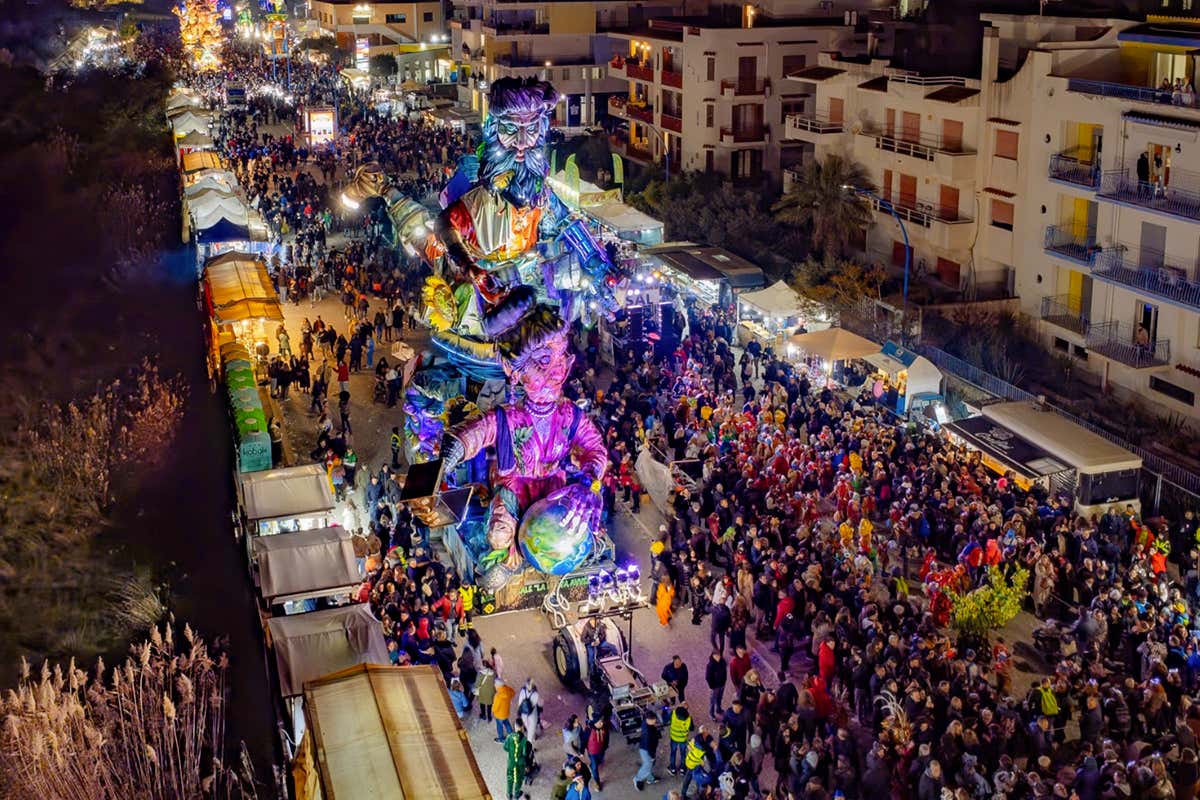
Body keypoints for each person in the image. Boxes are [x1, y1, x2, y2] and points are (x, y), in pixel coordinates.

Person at [503, 720, 531, 800]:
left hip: (511, 763)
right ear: (522, 727)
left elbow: (505, 748)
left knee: (510, 778)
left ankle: (509, 794)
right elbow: (525, 753)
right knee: (518, 780)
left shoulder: (509, 737)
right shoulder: (524, 740)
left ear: (515, 727)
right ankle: (516, 794)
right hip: (520, 764)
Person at [634, 710, 661, 791]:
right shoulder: (647, 732)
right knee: (647, 765)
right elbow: (648, 745)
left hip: (647, 749)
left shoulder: (646, 724)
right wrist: (652, 755)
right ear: (648, 720)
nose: (655, 721)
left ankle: (650, 778)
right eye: (653, 719)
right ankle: (637, 779)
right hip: (646, 750)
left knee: (650, 765)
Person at [667, 703, 693, 775]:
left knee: (673, 752)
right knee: (683, 753)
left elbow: (667, 720)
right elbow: (692, 728)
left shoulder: (673, 713)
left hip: (674, 738)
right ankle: (683, 769)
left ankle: (672, 768)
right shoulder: (688, 718)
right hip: (683, 739)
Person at [585, 717, 609, 791]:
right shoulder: (588, 730)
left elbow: (606, 737)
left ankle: (593, 765)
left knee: (600, 761)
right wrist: (581, 752)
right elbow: (584, 740)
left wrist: (605, 746)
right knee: (595, 767)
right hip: (592, 753)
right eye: (599, 722)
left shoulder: (604, 727)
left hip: (601, 750)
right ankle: (597, 782)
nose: (602, 723)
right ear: (595, 723)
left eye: (602, 722)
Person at [517, 678, 542, 743]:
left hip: (524, 713)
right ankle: (531, 741)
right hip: (532, 714)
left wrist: (519, 711)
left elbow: (519, 703)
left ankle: (531, 736)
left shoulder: (522, 691)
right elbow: (540, 704)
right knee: (532, 729)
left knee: (527, 726)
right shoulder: (536, 694)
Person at [705, 649, 727, 720]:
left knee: (719, 698)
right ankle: (711, 714)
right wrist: (712, 686)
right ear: (713, 656)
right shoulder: (710, 665)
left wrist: (724, 681)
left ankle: (719, 709)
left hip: (722, 684)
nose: (718, 657)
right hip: (715, 687)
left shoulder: (722, 662)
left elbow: (725, 672)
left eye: (719, 655)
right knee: (713, 701)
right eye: (716, 656)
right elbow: (708, 677)